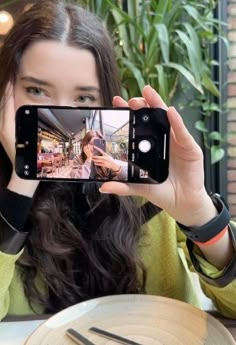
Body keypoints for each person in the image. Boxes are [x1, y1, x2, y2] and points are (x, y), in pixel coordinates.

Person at [0, 0, 235, 321]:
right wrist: (19, 187)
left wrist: (201, 216)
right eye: (37, 91)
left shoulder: (143, 184)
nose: (61, 120)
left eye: (83, 98)